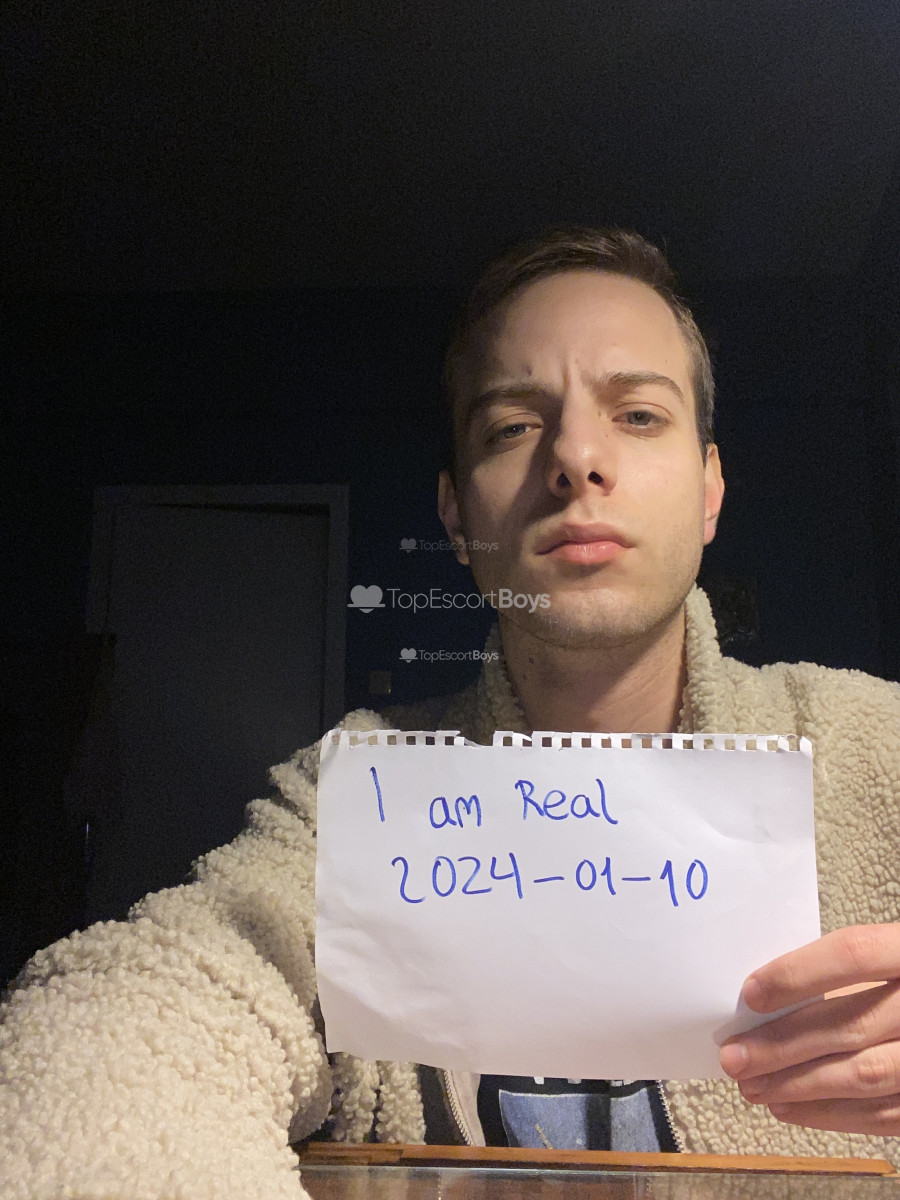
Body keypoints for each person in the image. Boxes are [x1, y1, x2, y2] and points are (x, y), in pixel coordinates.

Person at [2, 228, 899, 1196]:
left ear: (711, 490)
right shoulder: (361, 789)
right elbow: (152, 1006)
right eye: (511, 428)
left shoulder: (876, 748)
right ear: (456, 518)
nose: (576, 458)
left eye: (638, 415)